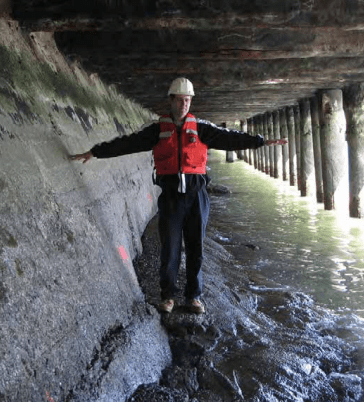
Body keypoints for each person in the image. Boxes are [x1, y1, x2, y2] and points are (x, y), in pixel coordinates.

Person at [70, 77, 286, 314]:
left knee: (196, 248)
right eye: (180, 100)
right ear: (171, 101)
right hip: (171, 198)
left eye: (188, 100)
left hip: (197, 198)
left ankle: (193, 297)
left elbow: (230, 138)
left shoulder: (202, 128)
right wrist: (96, 152)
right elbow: (127, 143)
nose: (184, 104)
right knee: (170, 248)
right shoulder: (156, 130)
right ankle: (168, 297)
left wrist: (260, 142)